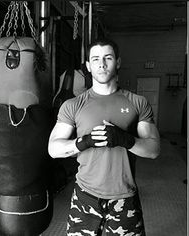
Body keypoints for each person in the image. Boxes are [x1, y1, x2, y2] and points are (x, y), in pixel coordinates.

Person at [48, 38, 160, 236]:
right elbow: (53, 149)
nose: (101, 64)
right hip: (85, 197)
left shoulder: (137, 102)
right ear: (89, 66)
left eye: (108, 58)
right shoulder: (73, 105)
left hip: (125, 199)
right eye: (96, 59)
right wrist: (84, 142)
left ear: (117, 62)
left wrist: (126, 139)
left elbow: (154, 150)